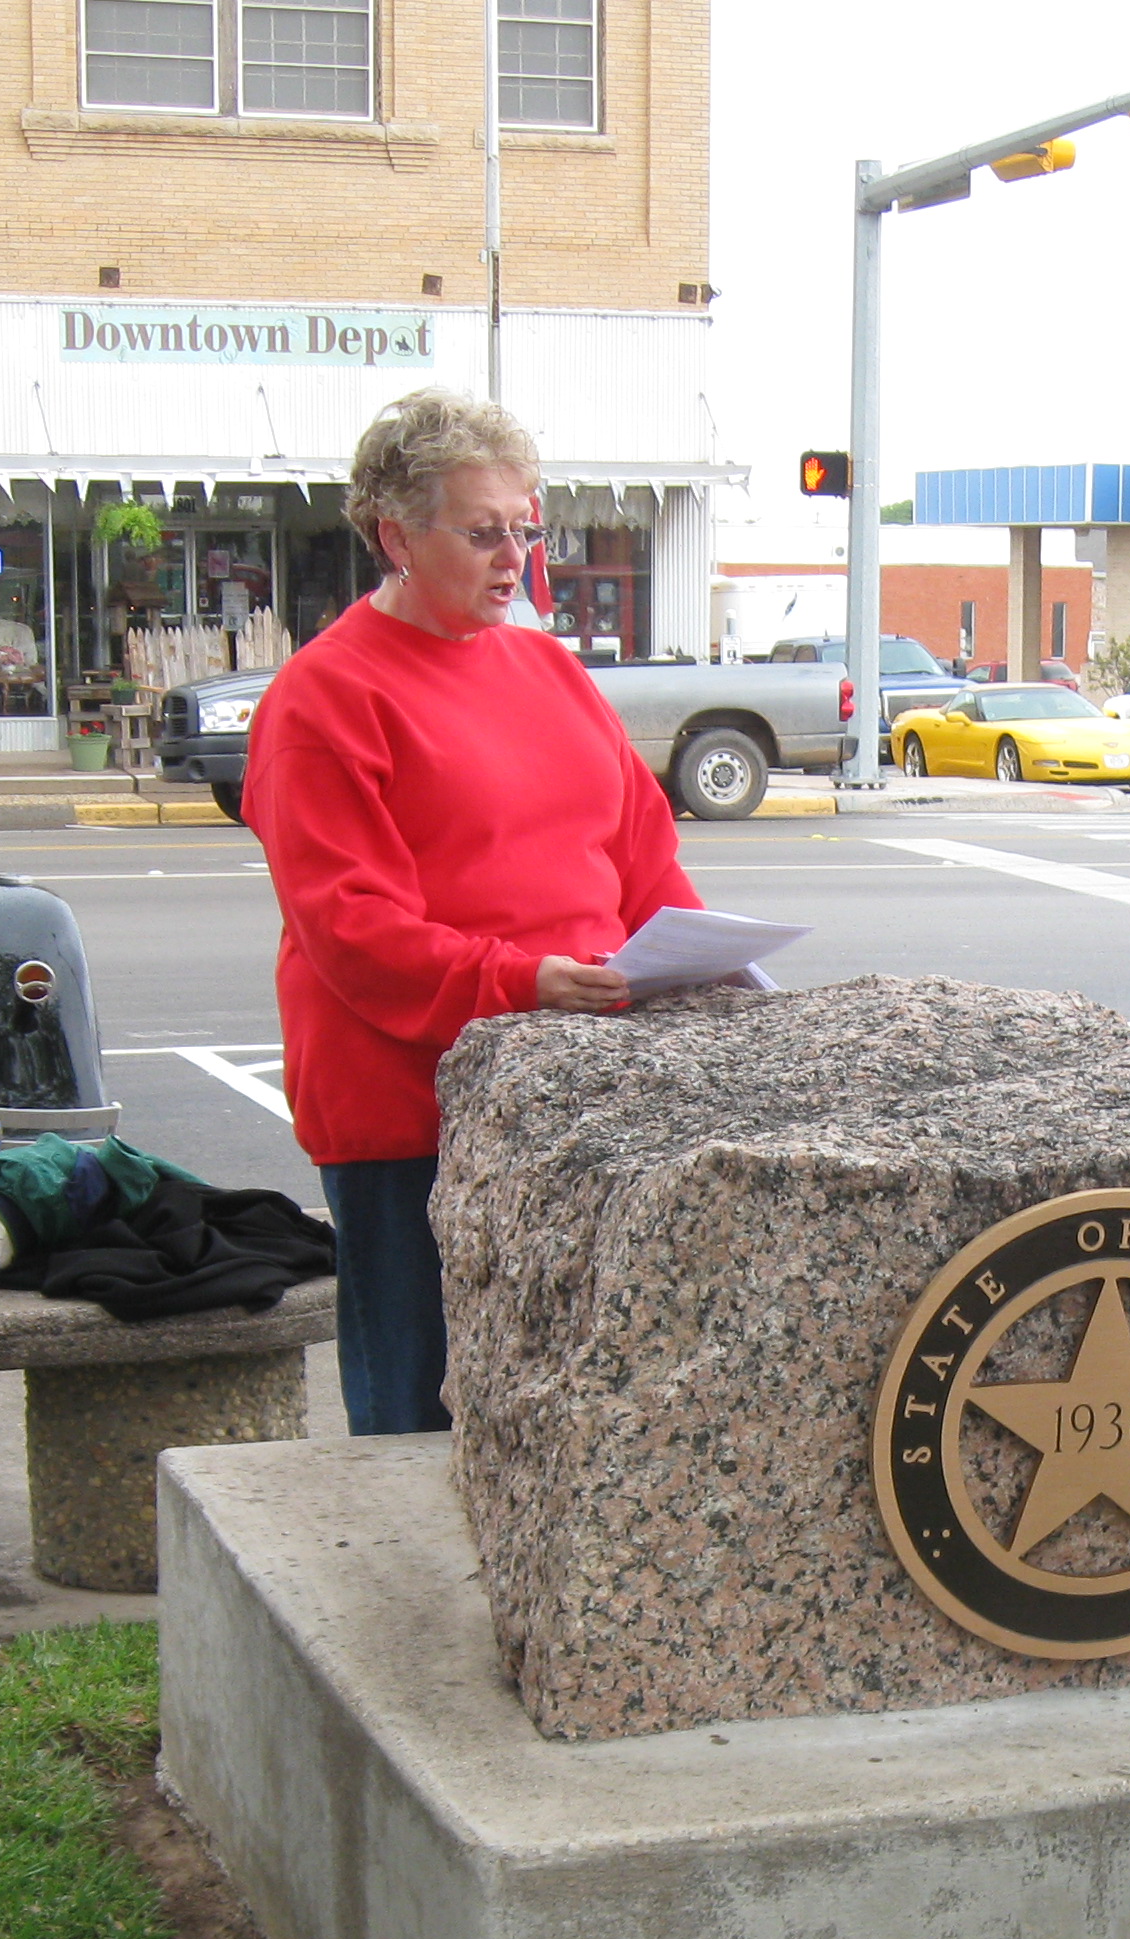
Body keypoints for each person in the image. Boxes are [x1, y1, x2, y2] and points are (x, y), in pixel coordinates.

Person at [246, 388, 699, 1433]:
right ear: (395, 534)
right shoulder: (323, 697)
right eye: (486, 532)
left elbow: (641, 852)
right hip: (410, 1112)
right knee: (420, 1410)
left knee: (563, 1409)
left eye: (528, 528)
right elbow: (350, 926)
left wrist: (696, 955)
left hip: (576, 1079)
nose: (517, 558)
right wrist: (518, 982)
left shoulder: (546, 666)